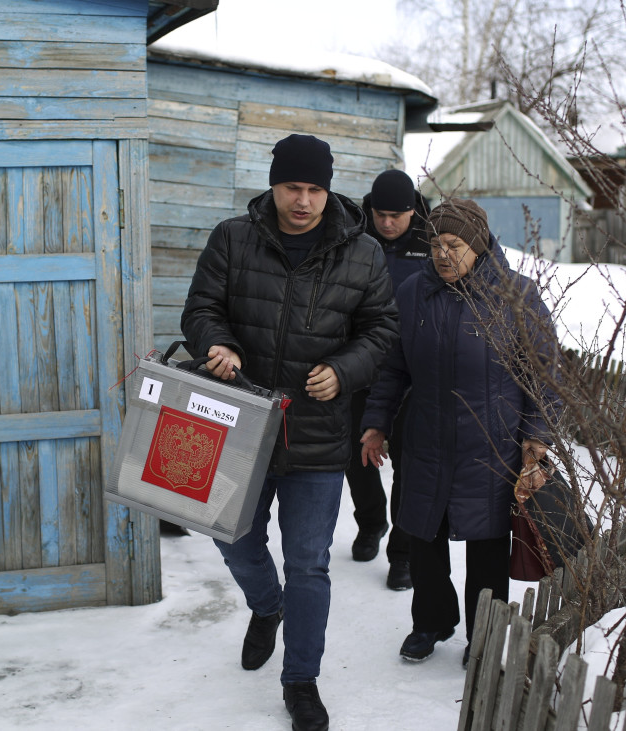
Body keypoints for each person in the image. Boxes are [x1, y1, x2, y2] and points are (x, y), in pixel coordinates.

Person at [180, 133, 399, 731]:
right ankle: (265, 606)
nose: (302, 201)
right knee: (230, 536)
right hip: (240, 424)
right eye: (291, 187)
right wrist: (215, 342)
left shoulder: (361, 253)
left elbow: (382, 331)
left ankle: (301, 681)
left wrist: (346, 370)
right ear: (273, 183)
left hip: (319, 435)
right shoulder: (233, 237)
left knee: (309, 564)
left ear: (328, 190)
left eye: (314, 189)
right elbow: (200, 308)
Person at [359, 199, 561, 667]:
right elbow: (393, 368)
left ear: (480, 246)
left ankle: (484, 634)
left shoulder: (517, 296)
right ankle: (430, 622)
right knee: (423, 537)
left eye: (454, 245)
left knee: (487, 546)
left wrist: (537, 438)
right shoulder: (413, 293)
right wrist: (376, 423)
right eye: (435, 244)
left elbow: (544, 375)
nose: (443, 254)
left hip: (491, 443)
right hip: (426, 437)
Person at [345, 169, 431, 591]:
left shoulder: (432, 242)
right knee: (355, 453)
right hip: (360, 363)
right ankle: (371, 522)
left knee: (407, 465)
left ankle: (402, 554)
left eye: (397, 216)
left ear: (413, 211)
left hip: (411, 373)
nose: (388, 223)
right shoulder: (352, 233)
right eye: (381, 214)